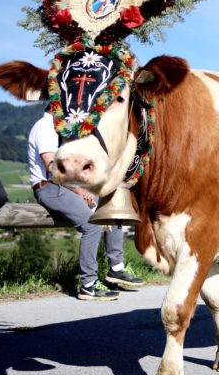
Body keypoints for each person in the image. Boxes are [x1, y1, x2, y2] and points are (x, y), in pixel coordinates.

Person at [28, 109, 144, 300]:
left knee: (111, 207)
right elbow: (53, 169)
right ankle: (88, 285)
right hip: (49, 187)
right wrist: (79, 190)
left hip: (64, 186)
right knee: (91, 224)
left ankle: (116, 268)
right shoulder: (45, 127)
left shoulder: (60, 128)